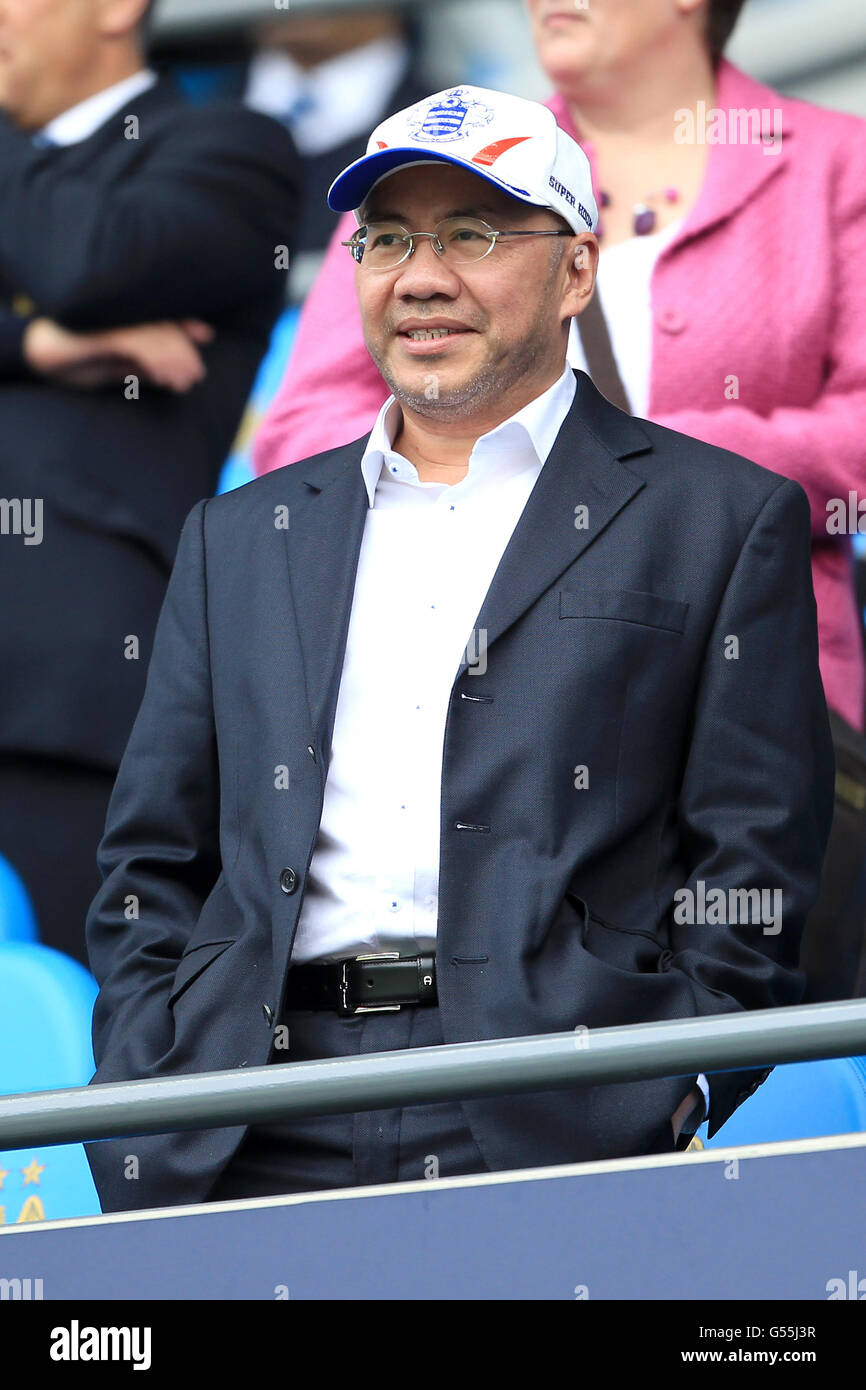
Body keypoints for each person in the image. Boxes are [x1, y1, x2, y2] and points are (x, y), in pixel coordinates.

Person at [83, 84, 833, 1215]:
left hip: (555, 1103)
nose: (418, 276)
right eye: (385, 238)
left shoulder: (719, 518)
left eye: (472, 234)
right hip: (245, 1114)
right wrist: (149, 1067)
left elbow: (754, 859)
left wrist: (672, 1079)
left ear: (576, 269)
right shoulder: (237, 534)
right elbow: (151, 861)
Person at [252, 0, 866, 1002]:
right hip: (475, 699)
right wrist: (492, 465)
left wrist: (659, 467)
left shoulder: (838, 163)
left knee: (743, 1044)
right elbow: (301, 425)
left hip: (750, 697)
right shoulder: (442, 166)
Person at [0, 0, 300, 962]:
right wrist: (38, 342)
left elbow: (84, 259)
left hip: (65, 690)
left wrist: (61, 313)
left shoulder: (227, 147)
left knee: (63, 1044)